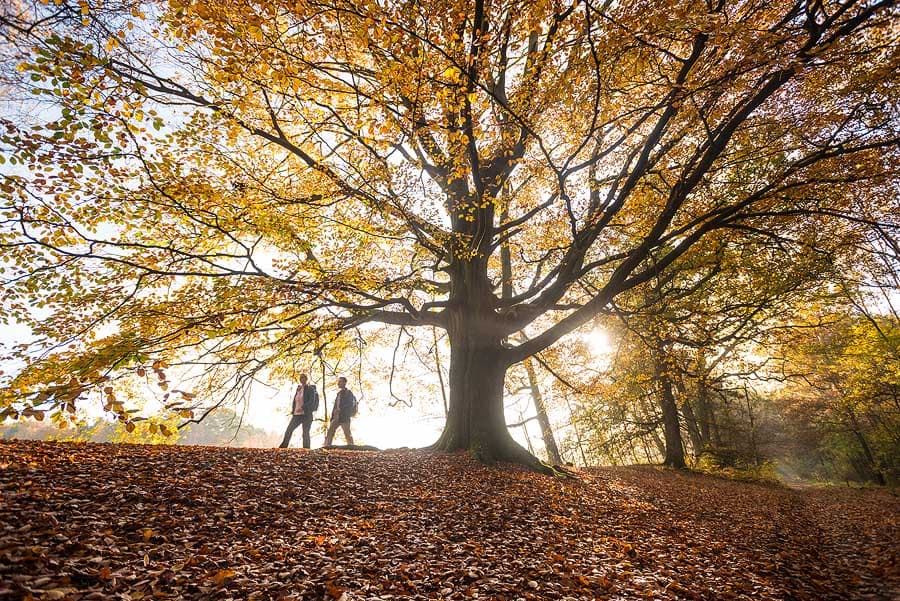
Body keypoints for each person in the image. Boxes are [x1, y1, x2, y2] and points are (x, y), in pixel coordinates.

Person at [278, 373, 318, 449]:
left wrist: (303, 407)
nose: (301, 379)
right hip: (297, 415)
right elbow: (295, 401)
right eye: (300, 378)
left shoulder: (310, 389)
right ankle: (283, 447)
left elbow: (311, 401)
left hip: (306, 414)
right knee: (289, 430)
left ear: (306, 379)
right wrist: (293, 410)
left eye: (303, 378)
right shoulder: (298, 389)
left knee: (305, 433)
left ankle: (306, 449)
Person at [324, 376, 356, 446]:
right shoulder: (338, 394)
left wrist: (341, 410)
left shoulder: (348, 393)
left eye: (340, 381)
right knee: (330, 431)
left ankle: (352, 446)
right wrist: (332, 416)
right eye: (338, 382)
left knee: (347, 433)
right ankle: (327, 446)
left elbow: (349, 404)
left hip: (344, 417)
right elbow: (335, 406)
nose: (338, 383)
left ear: (344, 383)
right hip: (336, 417)